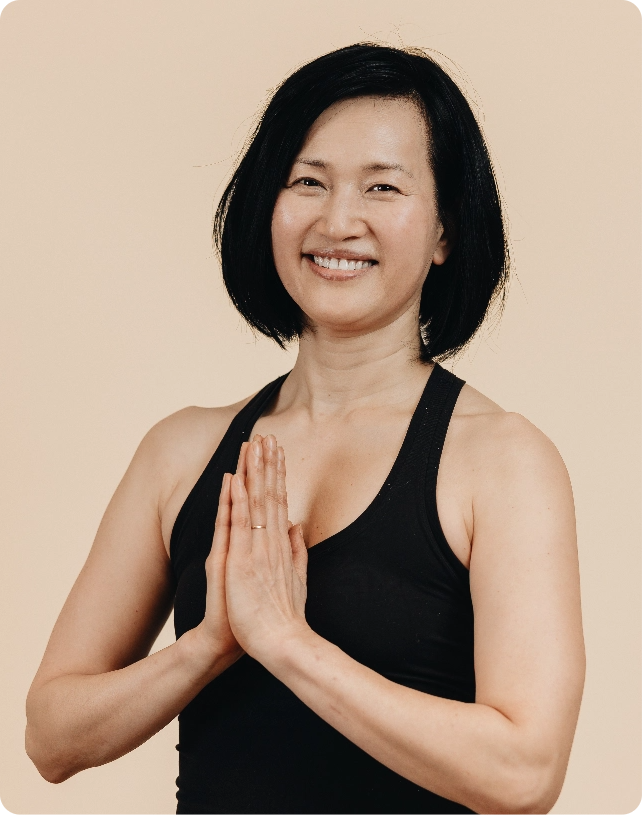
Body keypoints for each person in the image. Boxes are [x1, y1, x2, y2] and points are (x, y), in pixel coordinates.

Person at [25, 43, 585, 815]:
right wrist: (208, 646)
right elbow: (51, 735)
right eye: (308, 182)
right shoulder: (180, 452)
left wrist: (289, 643)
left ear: (446, 231)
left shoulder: (503, 460)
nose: (337, 220)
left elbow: (524, 774)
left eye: (382, 187)